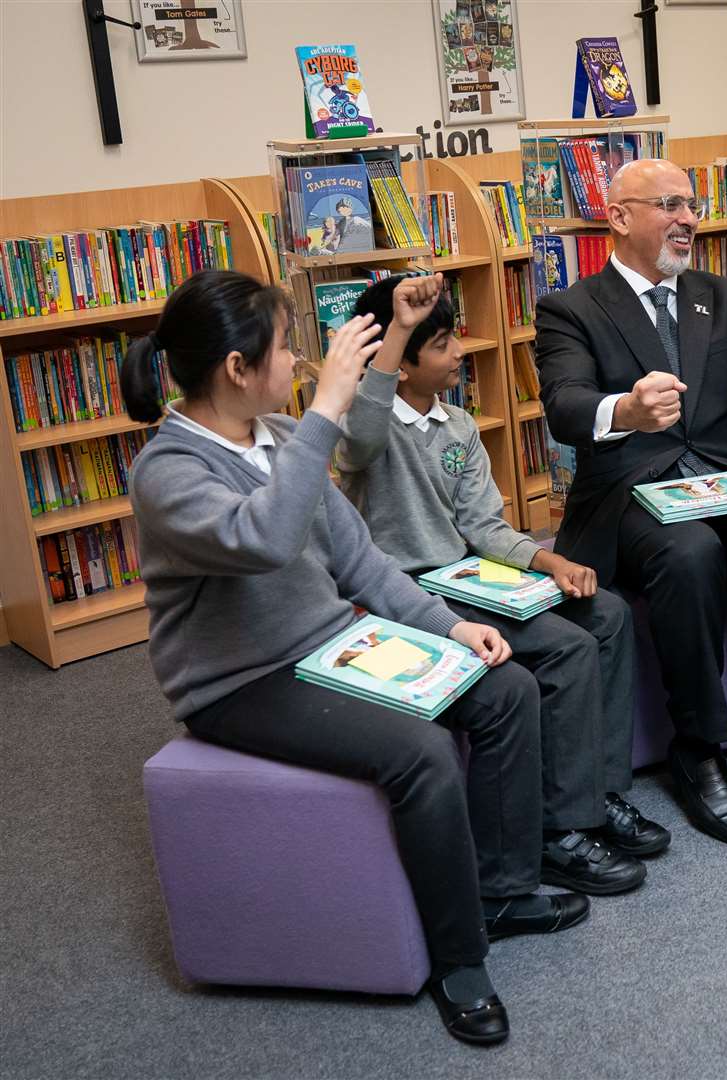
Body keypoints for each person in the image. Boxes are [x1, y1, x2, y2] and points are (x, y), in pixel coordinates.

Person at [124, 270, 586, 1046]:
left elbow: (362, 563)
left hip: (332, 643)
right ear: (237, 369)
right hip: (242, 681)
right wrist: (328, 411)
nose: (299, 363)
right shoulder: (168, 471)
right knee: (422, 753)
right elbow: (263, 540)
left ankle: (501, 891)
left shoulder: (272, 437)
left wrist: (447, 628)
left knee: (504, 688)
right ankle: (458, 959)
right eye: (282, 349)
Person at [535, 159, 727, 846]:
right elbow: (564, 406)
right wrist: (627, 409)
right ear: (618, 217)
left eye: (692, 204)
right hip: (631, 487)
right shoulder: (571, 307)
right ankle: (697, 747)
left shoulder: (720, 293)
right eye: (670, 204)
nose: (689, 219)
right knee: (690, 552)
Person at [336, 272, 664, 898]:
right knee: (565, 648)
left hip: (472, 576)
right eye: (441, 345)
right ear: (399, 366)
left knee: (608, 615)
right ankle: (559, 832)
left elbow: (484, 526)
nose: (459, 352)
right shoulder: (362, 421)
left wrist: (547, 563)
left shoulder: (459, 426)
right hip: (411, 593)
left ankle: (600, 791)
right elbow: (362, 439)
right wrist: (397, 332)